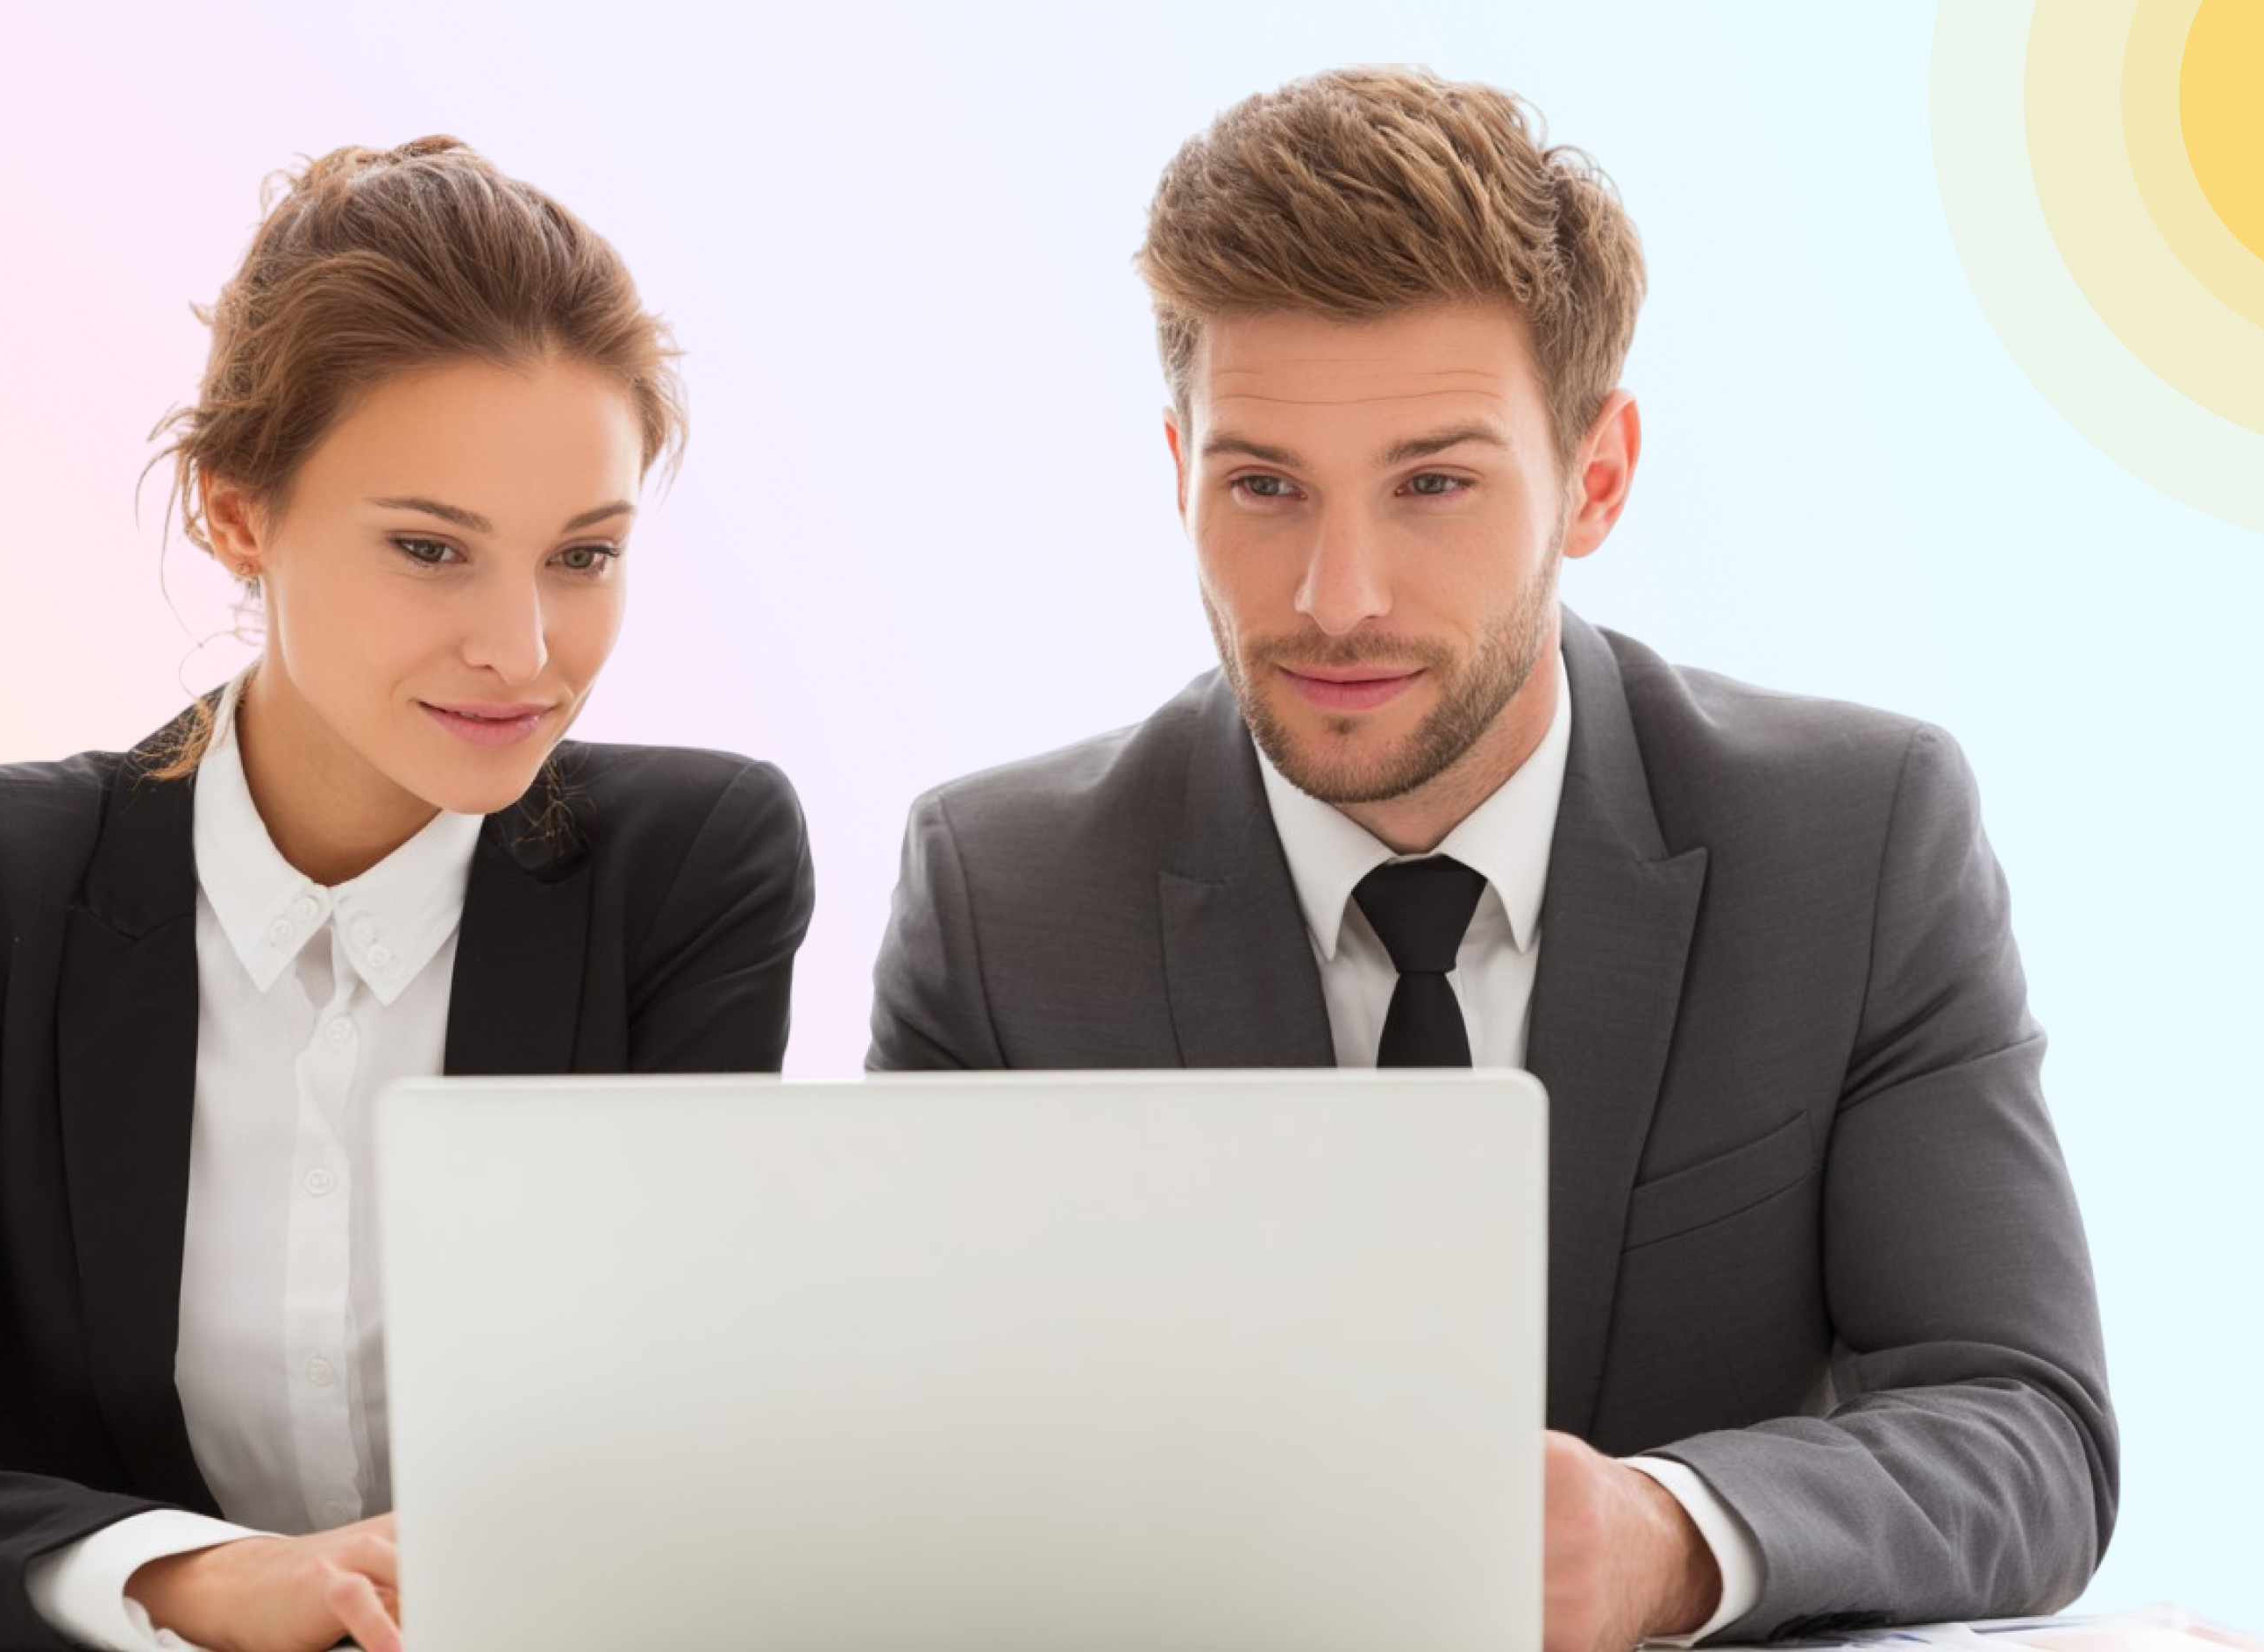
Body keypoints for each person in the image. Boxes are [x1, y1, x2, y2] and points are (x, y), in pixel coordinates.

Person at [868, 68, 2112, 1650]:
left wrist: (1669, 1536)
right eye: (1261, 486)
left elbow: (2026, 1429)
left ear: (1594, 479)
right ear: (1173, 468)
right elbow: (902, 1470)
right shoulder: (1003, 899)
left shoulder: (1857, 840)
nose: (1335, 594)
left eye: (1434, 485)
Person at [0, 137, 814, 1652]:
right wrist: (193, 1578)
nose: (525, 648)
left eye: (584, 555)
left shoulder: (689, 868)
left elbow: (691, 1436)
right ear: (236, 515)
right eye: (431, 550)